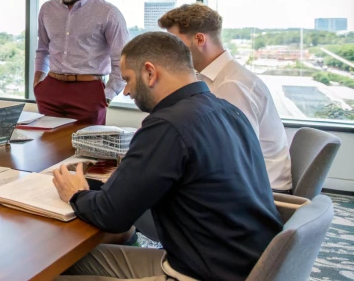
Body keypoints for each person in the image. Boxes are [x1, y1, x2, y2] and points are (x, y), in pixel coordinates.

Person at [52, 32, 282, 281]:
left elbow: (112, 216)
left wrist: (76, 193)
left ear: (150, 72)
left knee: (55, 269)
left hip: (198, 273)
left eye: (128, 79)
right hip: (245, 261)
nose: (127, 91)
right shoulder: (227, 110)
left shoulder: (168, 125)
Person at [159, 3, 292, 192]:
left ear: (199, 39)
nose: (169, 52)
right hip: (246, 182)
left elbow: (235, 155)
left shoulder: (232, 84)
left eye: (175, 43)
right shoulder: (208, 78)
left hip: (262, 192)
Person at [34, 0, 128, 125]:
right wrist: (38, 85)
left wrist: (106, 97)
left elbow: (122, 59)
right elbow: (42, 50)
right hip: (51, 88)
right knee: (47, 147)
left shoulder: (108, 13)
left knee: (87, 147)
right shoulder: (47, 9)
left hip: (89, 91)